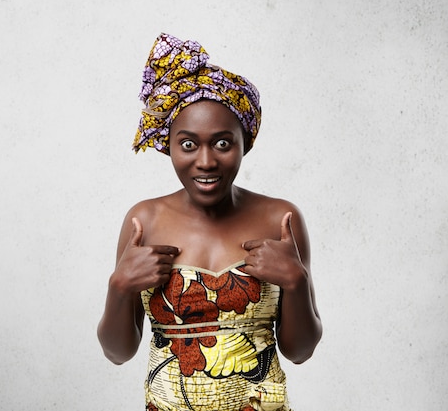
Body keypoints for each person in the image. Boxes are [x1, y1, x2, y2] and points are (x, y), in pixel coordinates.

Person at [97, 33, 322, 411]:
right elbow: (118, 353)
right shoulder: (143, 220)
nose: (205, 161)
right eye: (188, 144)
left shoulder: (280, 218)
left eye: (222, 143)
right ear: (167, 144)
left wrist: (296, 281)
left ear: (244, 142)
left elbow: (300, 352)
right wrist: (119, 287)